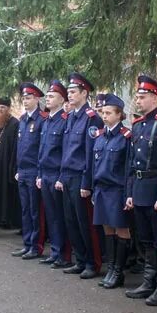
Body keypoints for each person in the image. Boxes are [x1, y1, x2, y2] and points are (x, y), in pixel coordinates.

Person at [124, 75, 157, 306]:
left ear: (155, 98)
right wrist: (129, 192)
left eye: (142, 96)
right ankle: (148, 280)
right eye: (137, 96)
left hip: (156, 187)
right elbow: (131, 161)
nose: (138, 100)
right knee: (144, 238)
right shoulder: (137, 125)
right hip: (139, 187)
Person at [56, 72, 104, 279]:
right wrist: (61, 176)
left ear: (85, 93)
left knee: (85, 222)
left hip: (80, 177)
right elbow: (65, 150)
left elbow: (90, 153)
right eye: (68, 92)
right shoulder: (71, 117)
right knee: (71, 220)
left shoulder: (92, 119)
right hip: (67, 175)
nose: (70, 95)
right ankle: (81, 259)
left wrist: (87, 182)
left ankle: (93, 263)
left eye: (73, 92)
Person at [89, 93, 133, 289]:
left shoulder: (125, 137)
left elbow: (128, 169)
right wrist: (92, 188)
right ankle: (111, 267)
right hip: (101, 189)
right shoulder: (99, 136)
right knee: (106, 227)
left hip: (117, 190)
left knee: (121, 229)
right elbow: (94, 166)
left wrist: (127, 194)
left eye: (108, 113)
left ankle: (119, 271)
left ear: (119, 115)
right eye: (103, 112)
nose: (104, 116)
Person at [36, 80, 72, 268]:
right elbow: (42, 150)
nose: (47, 99)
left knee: (60, 215)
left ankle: (64, 255)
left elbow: (65, 152)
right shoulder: (46, 121)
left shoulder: (64, 120)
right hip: (46, 173)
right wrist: (40, 174)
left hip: (57, 174)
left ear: (61, 99)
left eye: (51, 96)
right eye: (47, 96)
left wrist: (61, 177)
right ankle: (55, 251)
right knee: (50, 216)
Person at [12, 83, 46, 259]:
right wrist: (18, 168)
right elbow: (21, 147)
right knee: (25, 210)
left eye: (28, 98)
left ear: (37, 99)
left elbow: (41, 149)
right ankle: (27, 243)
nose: (25, 101)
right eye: (23, 98)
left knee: (35, 211)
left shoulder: (42, 119)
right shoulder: (23, 119)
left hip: (34, 171)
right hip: (23, 171)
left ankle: (36, 245)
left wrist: (39, 172)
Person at [0, 97, 20, 231]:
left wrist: (12, 165)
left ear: (9, 109)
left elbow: (16, 147)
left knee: (8, 193)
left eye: (2, 108)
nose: (0, 110)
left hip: (8, 164)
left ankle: (8, 219)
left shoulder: (15, 124)